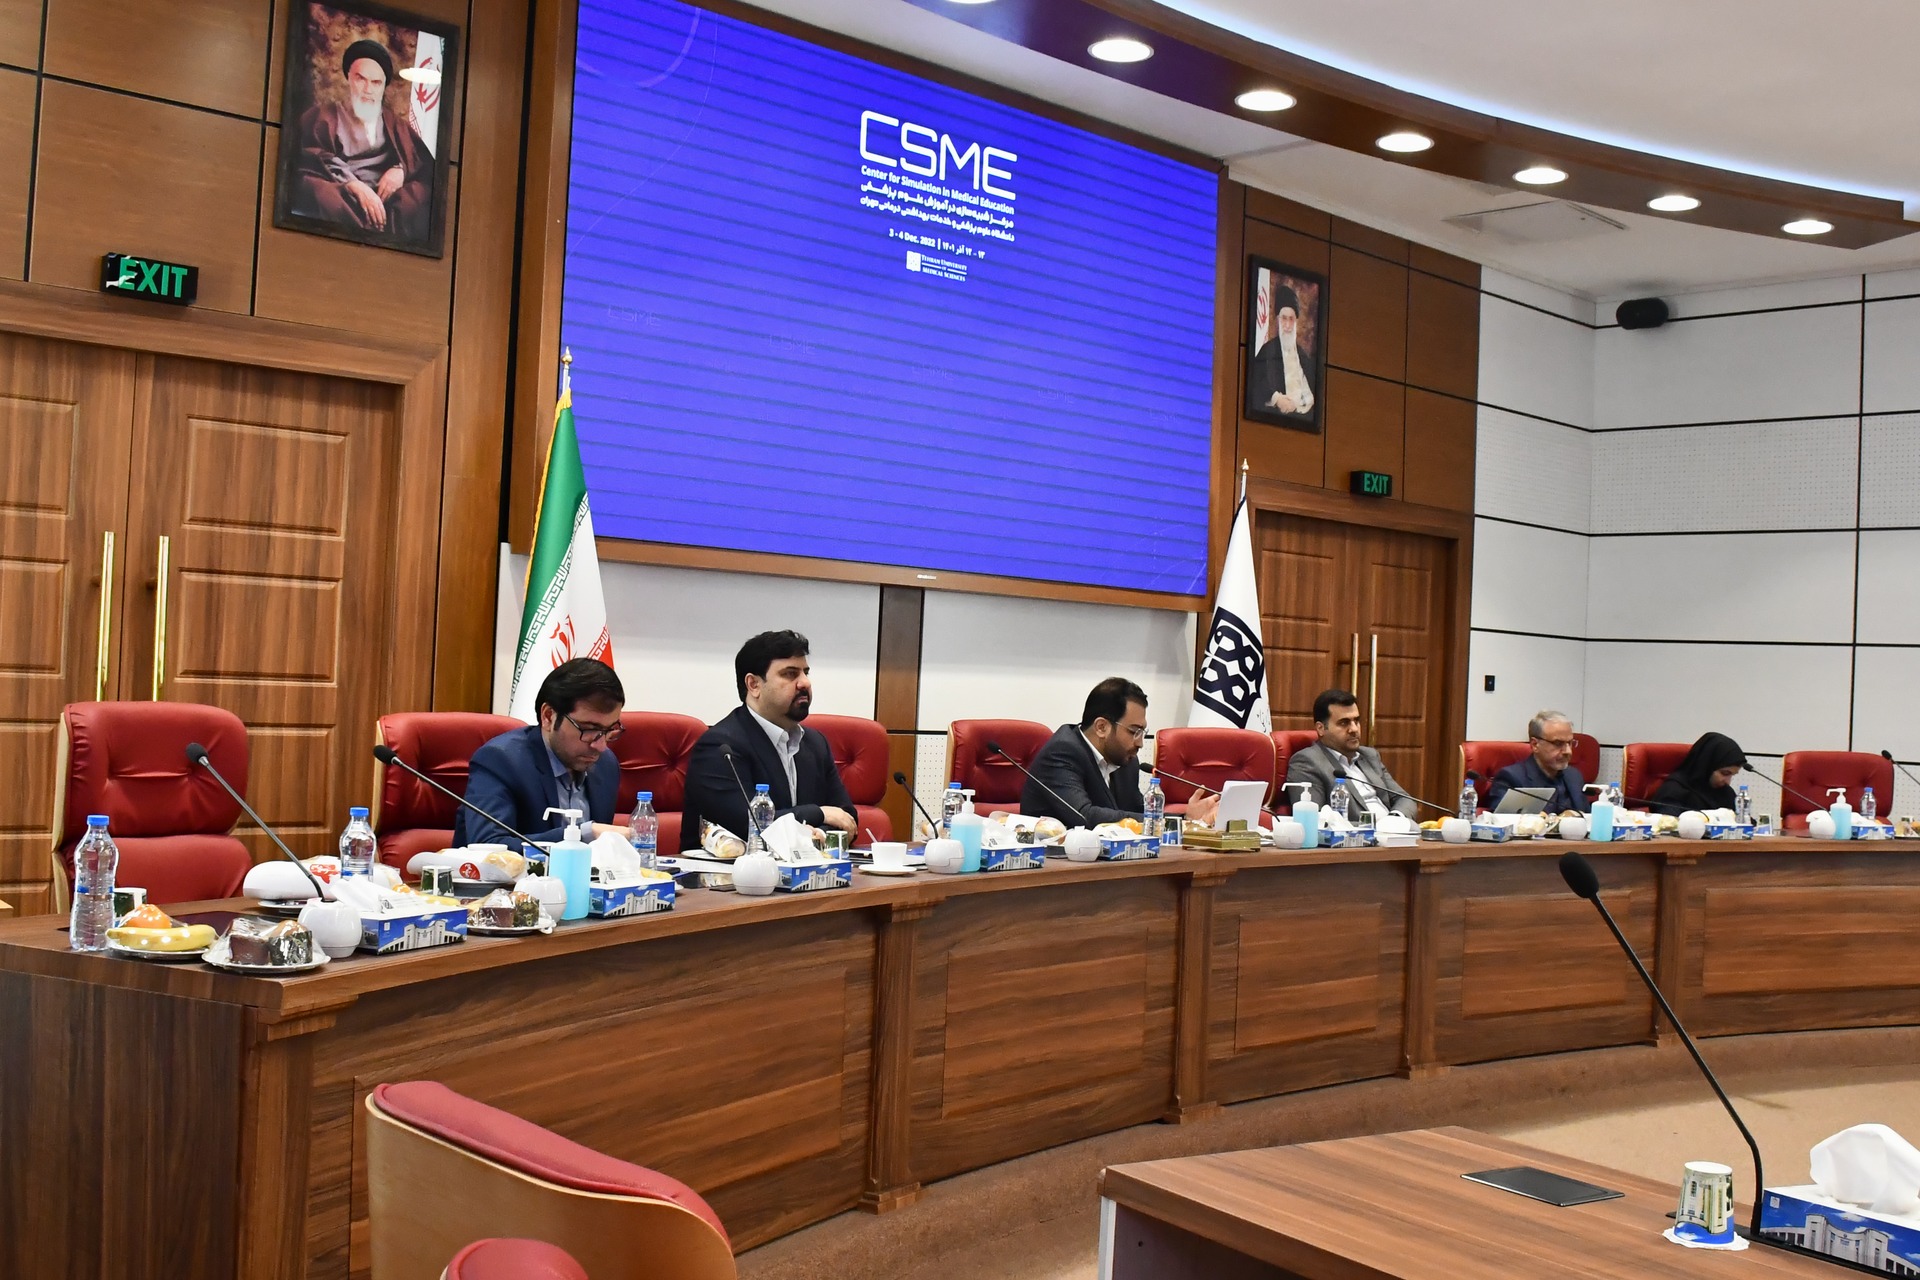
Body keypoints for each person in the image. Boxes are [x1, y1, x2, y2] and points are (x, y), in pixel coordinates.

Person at [680, 630, 857, 850]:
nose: (805, 683)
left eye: (805, 672)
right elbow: (747, 824)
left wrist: (818, 835)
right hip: (729, 870)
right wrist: (819, 813)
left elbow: (846, 817)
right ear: (754, 685)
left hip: (808, 868)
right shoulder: (721, 746)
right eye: (790, 674)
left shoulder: (815, 743)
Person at [456, 658, 626, 846]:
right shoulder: (500, 760)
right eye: (588, 729)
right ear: (548, 716)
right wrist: (583, 834)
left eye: (609, 730)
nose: (600, 745)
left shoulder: (606, 764)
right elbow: (488, 845)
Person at [291, 38, 434, 241]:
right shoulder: (321, 116)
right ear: (349, 78)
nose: (368, 89)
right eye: (361, 79)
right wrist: (354, 186)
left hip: (386, 199)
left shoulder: (394, 123)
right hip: (344, 193)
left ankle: (382, 229)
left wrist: (400, 170)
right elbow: (309, 157)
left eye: (376, 83)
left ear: (383, 87)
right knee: (320, 193)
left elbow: (421, 161)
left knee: (419, 195)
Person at [1024, 679, 1219, 828]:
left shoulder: (1125, 760)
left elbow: (1137, 812)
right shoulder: (1062, 753)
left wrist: (1186, 819)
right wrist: (1177, 823)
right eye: (1134, 731)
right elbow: (1084, 816)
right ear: (1101, 727)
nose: (1140, 743)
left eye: (1142, 732)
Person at [1283, 689, 1417, 821]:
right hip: (1358, 834)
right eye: (1344, 723)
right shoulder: (1306, 762)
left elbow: (1404, 799)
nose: (1354, 729)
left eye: (1356, 721)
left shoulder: (1369, 756)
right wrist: (1374, 828)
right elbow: (1316, 821)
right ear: (1321, 728)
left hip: (1395, 830)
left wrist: (1394, 819)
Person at [1487, 710, 1591, 813]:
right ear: (1535, 745)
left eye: (1570, 743)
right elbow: (1501, 820)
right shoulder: (1511, 778)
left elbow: (1588, 816)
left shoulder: (1574, 776)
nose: (1568, 751)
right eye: (1558, 743)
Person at [1248, 282, 1317, 418]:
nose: (1287, 325)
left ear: (1296, 322)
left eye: (1291, 319)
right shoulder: (1267, 351)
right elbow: (1255, 383)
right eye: (1284, 319)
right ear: (1278, 320)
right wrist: (1276, 398)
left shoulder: (1303, 357)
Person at [1647, 733, 1748, 816]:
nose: (1727, 781)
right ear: (1707, 766)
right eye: (1725, 773)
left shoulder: (1725, 792)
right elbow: (1672, 826)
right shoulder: (1673, 792)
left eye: (1732, 775)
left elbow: (1744, 822)